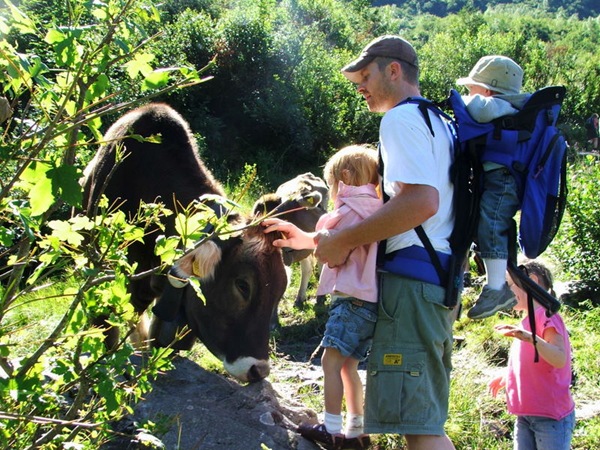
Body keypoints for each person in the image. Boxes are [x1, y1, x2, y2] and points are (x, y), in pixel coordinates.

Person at [309, 35, 457, 450]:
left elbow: (421, 202)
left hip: (413, 283)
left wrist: (342, 241)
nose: (359, 87)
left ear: (394, 71)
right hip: (438, 279)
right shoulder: (440, 121)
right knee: (423, 419)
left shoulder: (400, 119)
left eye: (365, 76)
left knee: (419, 427)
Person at [264, 144, 382, 450]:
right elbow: (330, 238)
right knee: (349, 367)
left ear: (345, 178)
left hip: (350, 301)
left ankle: (330, 429)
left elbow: (330, 243)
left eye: (331, 184)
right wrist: (299, 235)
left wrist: (306, 236)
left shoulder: (348, 209)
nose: (331, 191)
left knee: (330, 363)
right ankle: (356, 431)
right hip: (370, 304)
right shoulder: (378, 211)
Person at [455, 55, 530, 320]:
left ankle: (497, 289)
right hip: (499, 179)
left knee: (491, 224)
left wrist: (456, 101)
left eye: (471, 88)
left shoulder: (499, 106)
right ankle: (496, 285)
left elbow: (477, 109)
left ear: (488, 91)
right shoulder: (506, 109)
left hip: (503, 180)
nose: (468, 92)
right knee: (488, 224)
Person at [488, 260, 575, 450]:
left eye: (509, 284)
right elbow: (529, 362)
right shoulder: (527, 320)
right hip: (525, 414)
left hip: (550, 417)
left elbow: (559, 358)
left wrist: (531, 338)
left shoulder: (547, 316)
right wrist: (507, 376)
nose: (506, 292)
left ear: (532, 281)